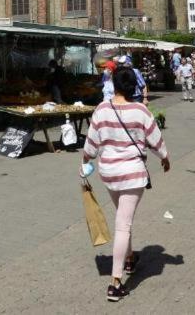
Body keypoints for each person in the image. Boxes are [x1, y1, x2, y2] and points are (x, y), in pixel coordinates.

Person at [82, 66, 170, 302]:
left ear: (114, 85)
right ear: (134, 86)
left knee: (122, 218)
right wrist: (164, 157)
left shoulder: (102, 109)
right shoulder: (140, 110)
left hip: (109, 173)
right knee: (123, 225)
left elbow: (91, 144)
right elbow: (155, 139)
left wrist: (86, 158)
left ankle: (130, 258)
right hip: (132, 173)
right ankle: (116, 282)